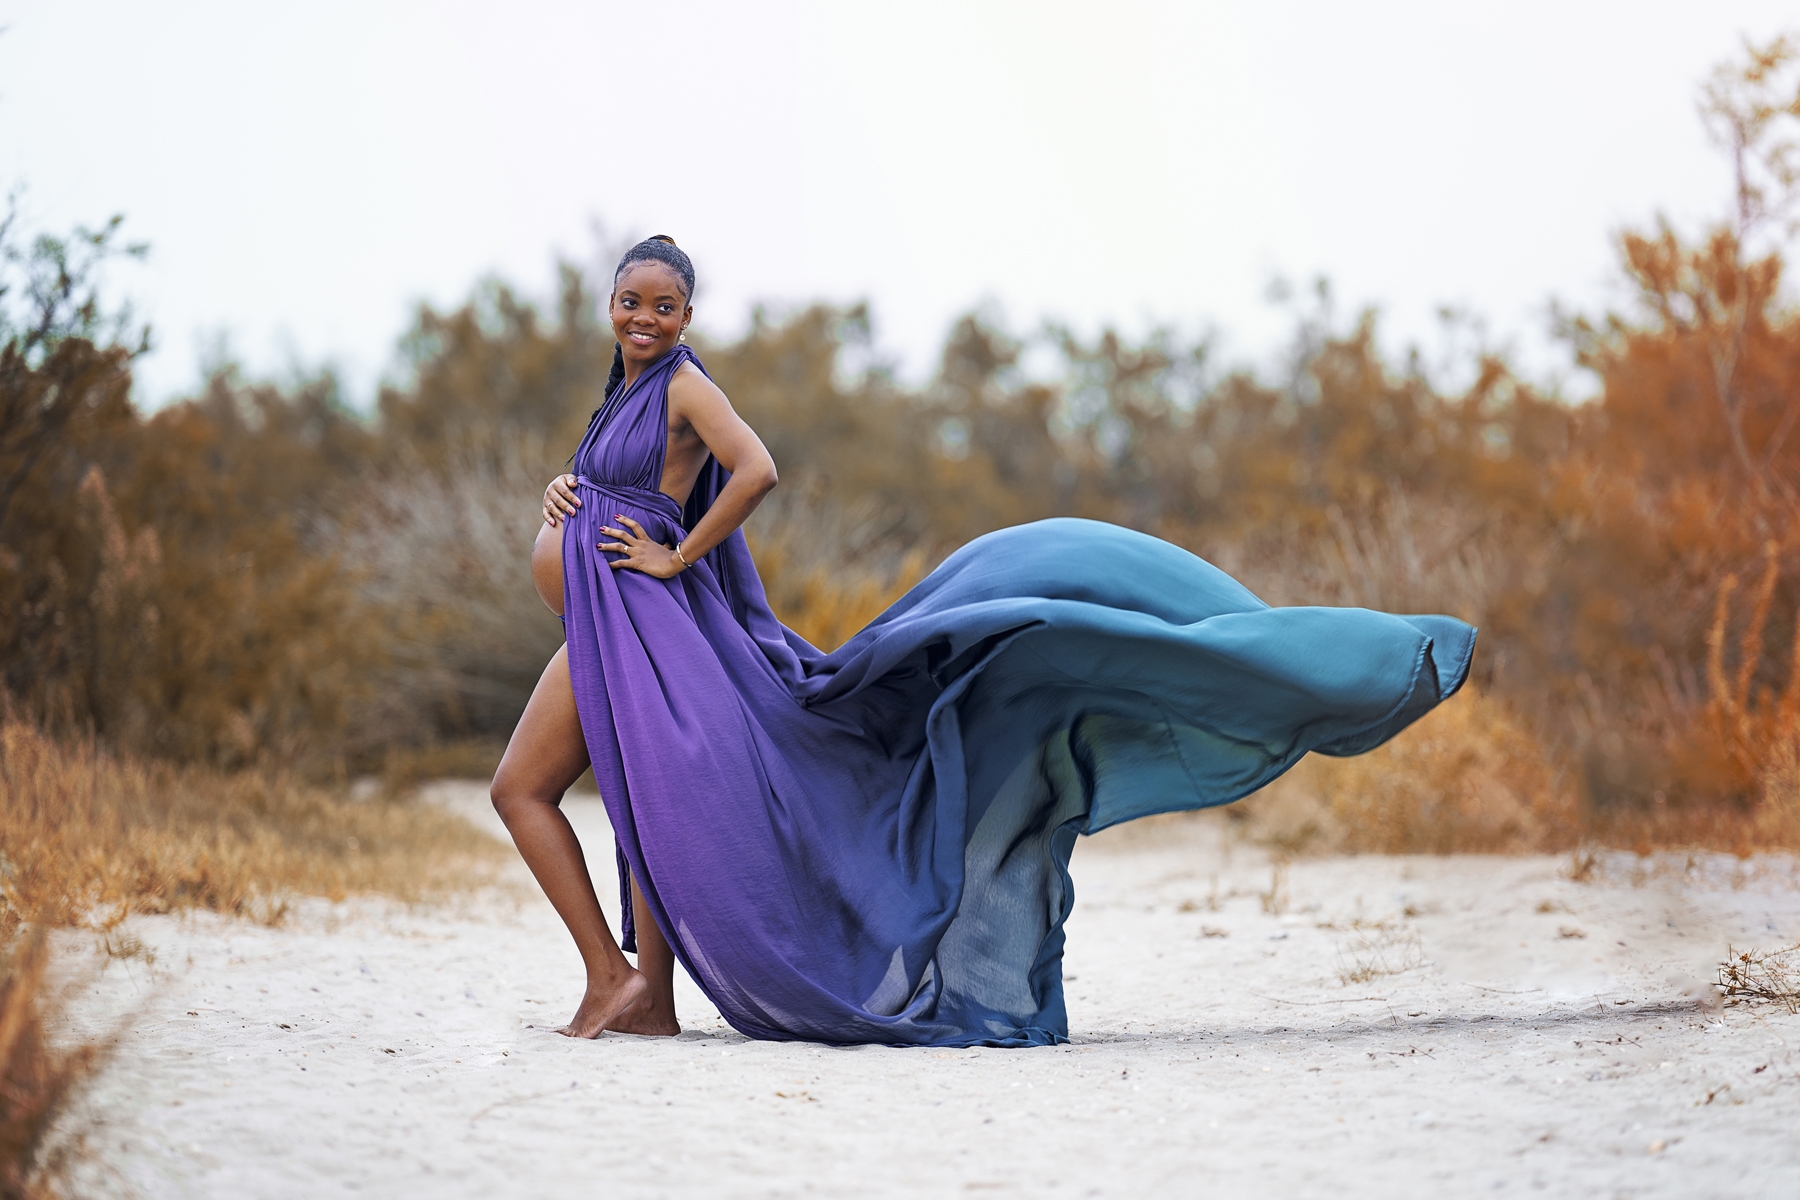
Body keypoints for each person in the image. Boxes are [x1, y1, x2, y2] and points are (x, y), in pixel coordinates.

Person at [490, 236, 1476, 1047]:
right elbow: (627, 488)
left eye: (665, 305)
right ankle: (640, 992)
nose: (646, 318)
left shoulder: (684, 386)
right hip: (613, 621)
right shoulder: (621, 393)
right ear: (610, 305)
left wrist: (673, 561)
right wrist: (563, 495)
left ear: (688, 316)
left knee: (525, 789)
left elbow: (756, 470)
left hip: (647, 618)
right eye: (631, 301)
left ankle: (616, 981)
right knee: (630, 799)